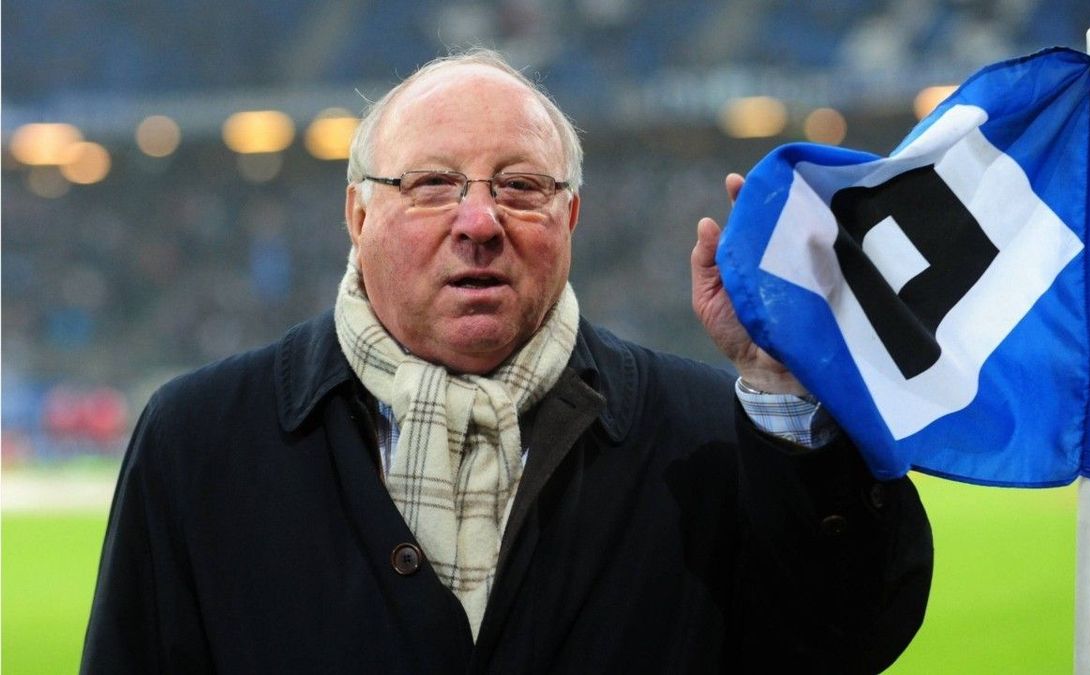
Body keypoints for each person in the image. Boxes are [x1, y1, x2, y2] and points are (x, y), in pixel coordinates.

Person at [82, 49, 933, 674]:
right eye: (432, 184)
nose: (480, 221)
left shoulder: (711, 434)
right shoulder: (198, 440)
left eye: (521, 186)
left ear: (570, 220)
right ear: (357, 213)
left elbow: (846, 640)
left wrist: (784, 393)